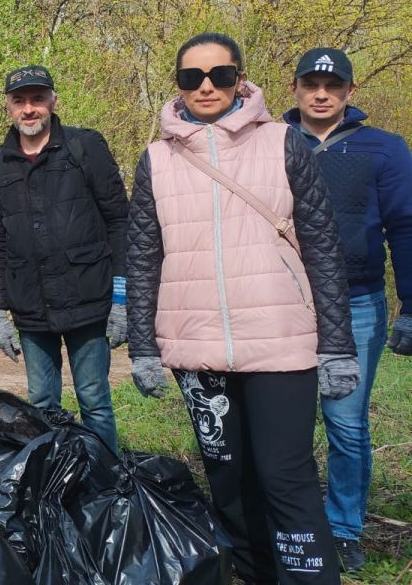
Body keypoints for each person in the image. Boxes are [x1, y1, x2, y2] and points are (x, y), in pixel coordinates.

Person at [127, 33, 358, 585]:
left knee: (285, 476)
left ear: (240, 79)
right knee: (227, 481)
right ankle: (257, 576)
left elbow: (322, 246)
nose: (206, 86)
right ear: (178, 84)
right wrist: (141, 345)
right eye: (191, 77)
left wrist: (337, 344)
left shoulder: (283, 142)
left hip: (281, 341)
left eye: (220, 75)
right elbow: (141, 257)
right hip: (197, 346)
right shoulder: (156, 159)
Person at [283, 47, 412, 571]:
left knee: (346, 422)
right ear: (294, 87)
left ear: (349, 93)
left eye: (332, 86)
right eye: (311, 83)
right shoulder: (272, 143)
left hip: (358, 302)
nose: (321, 93)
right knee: (283, 422)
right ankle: (290, 520)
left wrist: (411, 306)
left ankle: (342, 528)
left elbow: (405, 227)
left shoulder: (385, 149)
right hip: (284, 301)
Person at [0, 65, 129, 453]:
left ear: (53, 101)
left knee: (94, 402)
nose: (29, 109)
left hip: (89, 300)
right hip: (32, 306)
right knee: (42, 405)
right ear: (8, 107)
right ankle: (53, 486)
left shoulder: (85, 147)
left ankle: (104, 484)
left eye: (37, 99)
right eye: (19, 101)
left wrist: (122, 296)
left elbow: (120, 221)